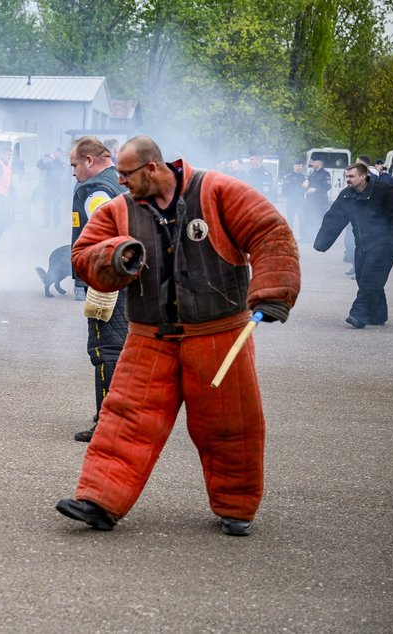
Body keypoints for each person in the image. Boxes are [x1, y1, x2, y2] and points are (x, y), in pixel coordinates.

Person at [55, 135, 300, 537]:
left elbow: (268, 231)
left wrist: (273, 292)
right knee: (124, 420)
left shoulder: (219, 190)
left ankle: (236, 508)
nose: (121, 181)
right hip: (150, 336)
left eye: (126, 174)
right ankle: (98, 501)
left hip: (219, 334)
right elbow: (82, 255)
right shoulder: (120, 209)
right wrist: (116, 255)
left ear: (152, 168)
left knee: (230, 426)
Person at [66, 137, 128, 443]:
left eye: (75, 164)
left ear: (90, 160)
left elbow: (110, 228)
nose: (73, 172)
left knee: (107, 350)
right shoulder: (121, 180)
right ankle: (117, 414)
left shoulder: (95, 190)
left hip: (110, 279)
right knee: (123, 349)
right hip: (127, 277)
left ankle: (108, 423)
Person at [314, 162, 393, 328]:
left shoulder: (386, 192)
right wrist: (322, 242)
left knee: (370, 281)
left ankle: (359, 314)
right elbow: (334, 217)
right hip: (362, 246)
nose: (348, 180)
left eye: (351, 176)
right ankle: (378, 315)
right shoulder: (347, 195)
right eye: (347, 176)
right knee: (363, 278)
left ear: (363, 176)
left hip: (384, 246)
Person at [37, 147, 68, 229]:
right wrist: (43, 159)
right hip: (47, 188)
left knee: (55, 208)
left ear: (61, 154)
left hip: (56, 190)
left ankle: (56, 224)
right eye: (55, 152)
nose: (56, 154)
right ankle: (46, 223)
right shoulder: (50, 163)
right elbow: (39, 166)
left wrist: (54, 160)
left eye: (58, 153)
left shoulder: (61, 163)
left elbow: (59, 171)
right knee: (47, 207)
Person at [303, 155, 331, 242]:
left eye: (313, 162)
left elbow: (327, 186)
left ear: (319, 162)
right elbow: (309, 184)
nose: (312, 163)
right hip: (311, 201)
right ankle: (311, 237)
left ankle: (321, 239)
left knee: (320, 219)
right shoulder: (312, 173)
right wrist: (306, 183)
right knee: (310, 218)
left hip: (320, 201)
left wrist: (315, 190)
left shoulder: (325, 174)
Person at [280, 161, 306, 240]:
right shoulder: (288, 177)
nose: (299, 167)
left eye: (300, 165)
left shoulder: (304, 177)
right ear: (294, 166)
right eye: (298, 165)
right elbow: (284, 190)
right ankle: (289, 238)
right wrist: (291, 194)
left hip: (300, 203)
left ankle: (303, 237)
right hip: (291, 202)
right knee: (290, 221)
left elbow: (306, 189)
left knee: (302, 220)